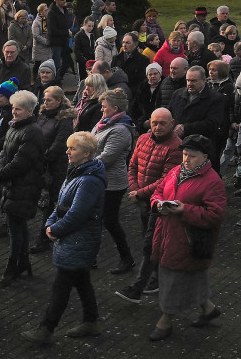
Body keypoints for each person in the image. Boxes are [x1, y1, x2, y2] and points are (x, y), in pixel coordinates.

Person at [21, 132, 107, 344]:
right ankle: (91, 321)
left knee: (62, 285)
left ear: (86, 153)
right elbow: (60, 205)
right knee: (81, 280)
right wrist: (50, 225)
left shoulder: (88, 181)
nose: (67, 152)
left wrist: (55, 230)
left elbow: (77, 214)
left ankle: (46, 328)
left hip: (79, 239)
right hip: (74, 238)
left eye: (72, 148)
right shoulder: (77, 173)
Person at [148, 134, 227, 342]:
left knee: (172, 279)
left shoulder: (213, 182)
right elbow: (158, 190)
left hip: (189, 239)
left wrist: (185, 210)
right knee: (193, 277)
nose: (186, 159)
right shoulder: (176, 171)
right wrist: (157, 204)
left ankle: (165, 321)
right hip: (167, 233)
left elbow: (215, 215)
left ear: (205, 157)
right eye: (184, 154)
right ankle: (208, 309)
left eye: (191, 156)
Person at [115, 108, 183, 303]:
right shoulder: (144, 139)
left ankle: (141, 284)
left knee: (150, 243)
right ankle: (157, 277)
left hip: (159, 203)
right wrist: (135, 189)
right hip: (143, 200)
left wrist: (140, 193)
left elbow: (166, 179)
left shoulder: (176, 147)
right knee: (150, 240)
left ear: (172, 123)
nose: (158, 127)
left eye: (162, 123)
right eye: (154, 123)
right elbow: (133, 165)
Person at [0, 91, 44, 285]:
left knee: (16, 230)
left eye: (18, 109)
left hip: (23, 187)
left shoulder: (32, 132)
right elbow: (3, 154)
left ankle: (12, 268)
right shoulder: (14, 127)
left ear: (30, 111)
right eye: (13, 108)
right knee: (18, 226)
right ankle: (23, 262)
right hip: (13, 185)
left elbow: (20, 162)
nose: (14, 112)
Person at [92, 89, 137, 274]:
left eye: (104, 107)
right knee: (97, 219)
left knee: (110, 221)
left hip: (112, 183)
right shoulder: (104, 123)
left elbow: (107, 157)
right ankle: (91, 256)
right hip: (97, 179)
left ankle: (127, 258)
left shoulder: (120, 129)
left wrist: (82, 161)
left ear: (115, 108)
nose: (102, 110)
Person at [30, 87, 77, 254]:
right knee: (43, 203)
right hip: (41, 165)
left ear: (59, 101)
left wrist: (42, 157)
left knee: (50, 203)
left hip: (55, 167)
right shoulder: (42, 114)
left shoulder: (64, 119)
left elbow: (59, 144)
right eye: (44, 99)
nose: (45, 102)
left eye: (49, 100)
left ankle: (44, 239)